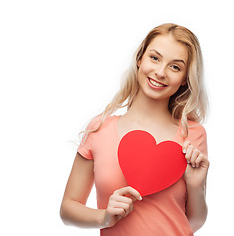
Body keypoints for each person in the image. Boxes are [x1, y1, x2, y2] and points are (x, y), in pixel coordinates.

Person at [60, 23, 210, 236]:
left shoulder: (193, 134)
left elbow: (193, 222)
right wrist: (105, 217)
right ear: (140, 59)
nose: (160, 72)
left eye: (175, 66)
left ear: (185, 79)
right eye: (155, 58)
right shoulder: (99, 128)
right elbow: (68, 208)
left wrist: (196, 186)